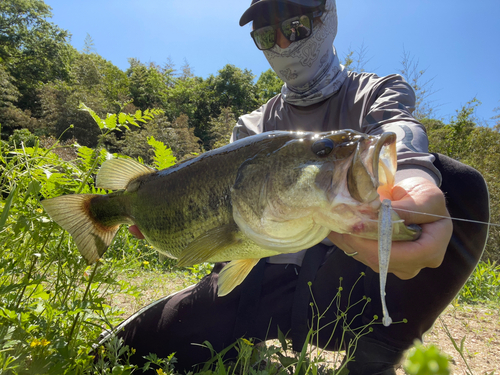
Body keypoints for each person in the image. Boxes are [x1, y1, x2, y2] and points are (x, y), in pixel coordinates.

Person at [98, 1, 489, 374]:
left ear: (328, 18)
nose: (284, 44)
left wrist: (413, 176)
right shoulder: (251, 126)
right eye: (267, 37)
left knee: (458, 184)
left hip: (347, 289)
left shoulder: (377, 91)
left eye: (297, 27)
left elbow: (397, 129)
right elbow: (221, 245)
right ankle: (238, 348)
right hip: (258, 284)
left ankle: (373, 362)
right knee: (120, 351)